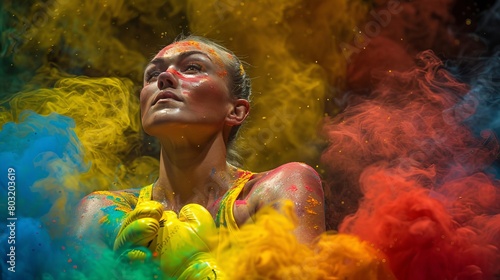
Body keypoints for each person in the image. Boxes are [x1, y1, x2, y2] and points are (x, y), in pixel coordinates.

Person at [71, 35, 325, 278]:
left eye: (192, 67)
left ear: (235, 111)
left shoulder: (275, 190)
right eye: (152, 74)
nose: (165, 78)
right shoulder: (101, 212)